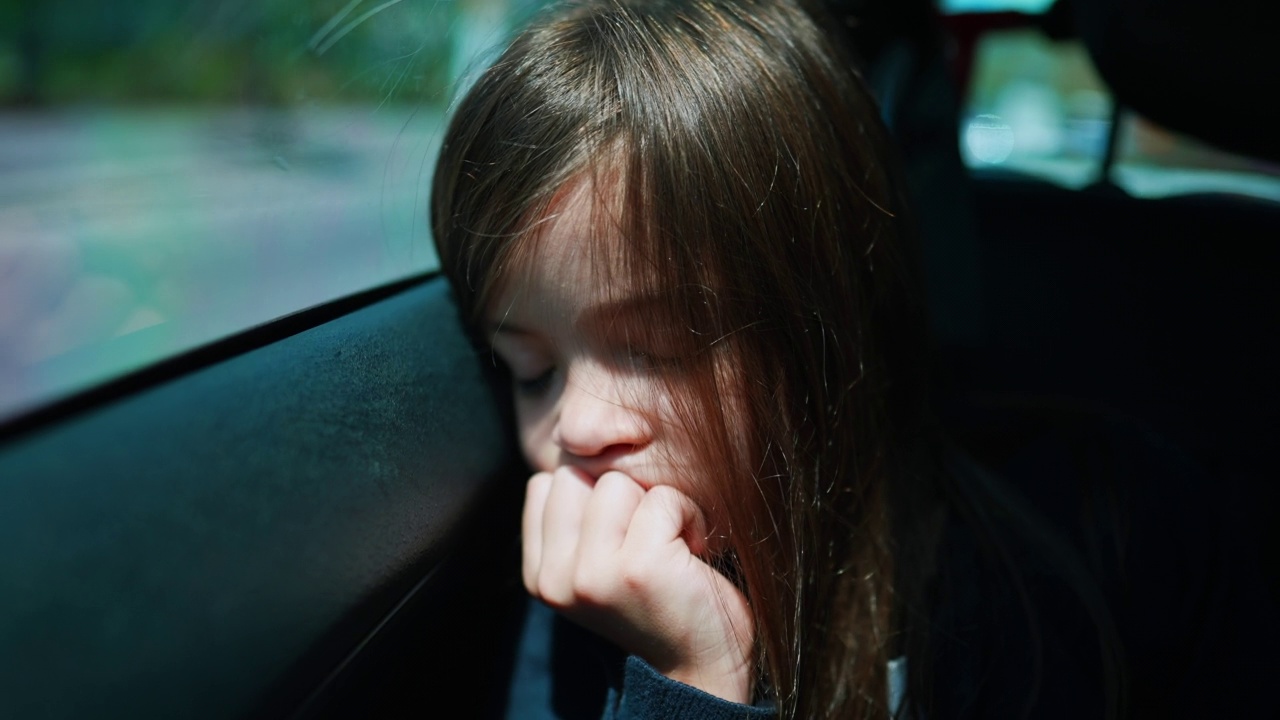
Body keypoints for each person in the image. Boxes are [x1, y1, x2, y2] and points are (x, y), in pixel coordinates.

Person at [430, 1, 1130, 718]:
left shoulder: (1068, 563)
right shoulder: (583, 609)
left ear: (829, 338)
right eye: (531, 372)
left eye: (657, 350)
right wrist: (692, 679)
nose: (576, 427)